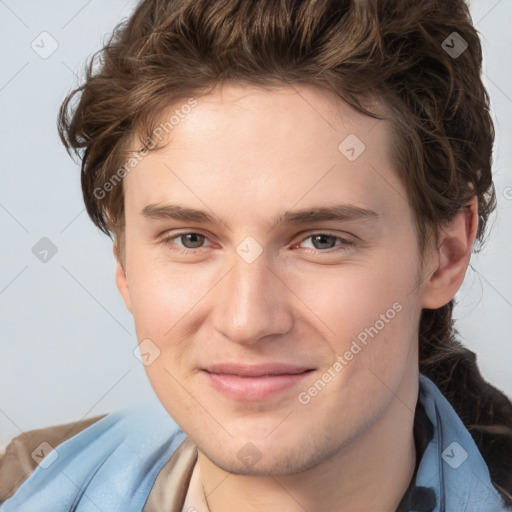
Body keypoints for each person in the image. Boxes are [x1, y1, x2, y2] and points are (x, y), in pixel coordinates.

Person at [1, 0, 511, 510]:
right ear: (123, 260)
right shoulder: (23, 485)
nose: (246, 321)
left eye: (321, 241)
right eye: (191, 239)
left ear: (445, 254)